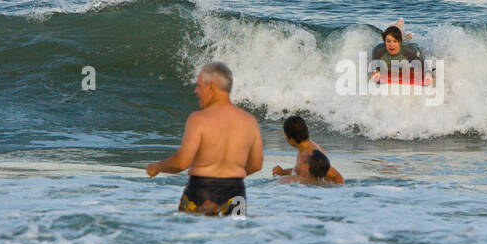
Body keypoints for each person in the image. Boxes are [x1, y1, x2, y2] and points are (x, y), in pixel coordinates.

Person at [145, 62, 263, 215]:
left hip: (201, 191)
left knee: (194, 236)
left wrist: (158, 167)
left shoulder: (198, 119)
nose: (196, 91)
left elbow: (182, 163)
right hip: (236, 193)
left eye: (199, 86)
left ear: (212, 87)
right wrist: (230, 173)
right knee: (235, 236)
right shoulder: (250, 121)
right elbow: (257, 164)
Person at [271, 115, 345, 184]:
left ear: (290, 137)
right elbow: (302, 171)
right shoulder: (303, 149)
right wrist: (283, 172)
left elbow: (336, 176)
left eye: (285, 135)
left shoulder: (313, 153)